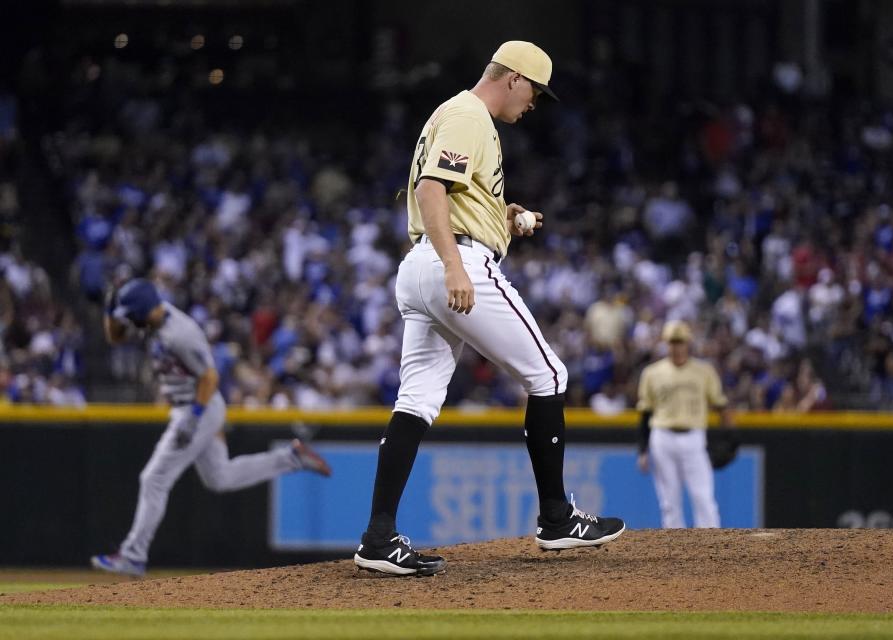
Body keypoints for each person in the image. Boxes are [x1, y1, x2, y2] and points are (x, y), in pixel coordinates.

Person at [353, 41, 624, 577]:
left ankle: (377, 537)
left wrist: (504, 215)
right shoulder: (468, 115)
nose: (534, 105)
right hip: (451, 260)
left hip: (426, 263)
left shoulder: (462, 117)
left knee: (418, 399)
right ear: (514, 78)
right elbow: (432, 191)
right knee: (548, 373)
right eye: (535, 93)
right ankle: (556, 518)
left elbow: (455, 194)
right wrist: (456, 265)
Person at [90, 278, 332, 577]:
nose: (129, 319)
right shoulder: (150, 318)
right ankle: (290, 458)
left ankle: (133, 555)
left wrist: (193, 418)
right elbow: (116, 337)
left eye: (130, 313)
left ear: (144, 310)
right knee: (220, 477)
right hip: (194, 408)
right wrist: (110, 307)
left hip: (197, 408)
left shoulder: (181, 333)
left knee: (153, 479)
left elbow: (210, 378)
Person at [636, 320, 732, 528]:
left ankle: (713, 549)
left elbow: (720, 404)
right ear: (666, 344)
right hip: (662, 436)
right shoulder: (652, 373)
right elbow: (645, 412)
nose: (676, 347)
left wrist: (731, 436)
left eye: (680, 342)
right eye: (672, 342)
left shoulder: (704, 371)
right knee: (669, 502)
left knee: (703, 497)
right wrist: (643, 449)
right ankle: (675, 554)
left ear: (688, 343)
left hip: (694, 437)